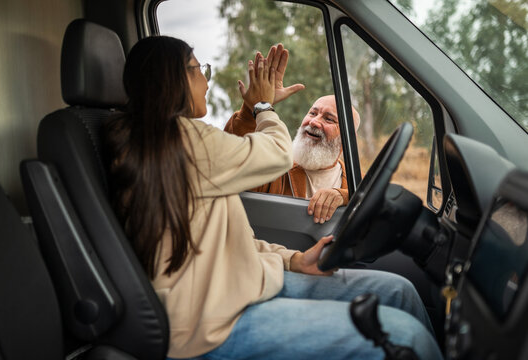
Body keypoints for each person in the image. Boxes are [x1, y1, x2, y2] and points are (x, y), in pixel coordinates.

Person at [105, 36, 443, 360]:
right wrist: (261, 106)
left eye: (330, 119)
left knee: (400, 291)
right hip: (210, 322)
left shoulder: (166, 145)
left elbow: (229, 242)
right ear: (173, 79)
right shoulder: (179, 141)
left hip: (242, 285)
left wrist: (293, 260)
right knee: (404, 336)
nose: (207, 83)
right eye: (200, 70)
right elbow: (276, 153)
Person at [225, 92, 360, 224]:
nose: (314, 122)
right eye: (312, 113)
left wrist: (346, 197)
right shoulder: (275, 165)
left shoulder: (358, 183)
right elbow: (235, 159)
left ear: (348, 138)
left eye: (329, 119)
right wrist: (253, 106)